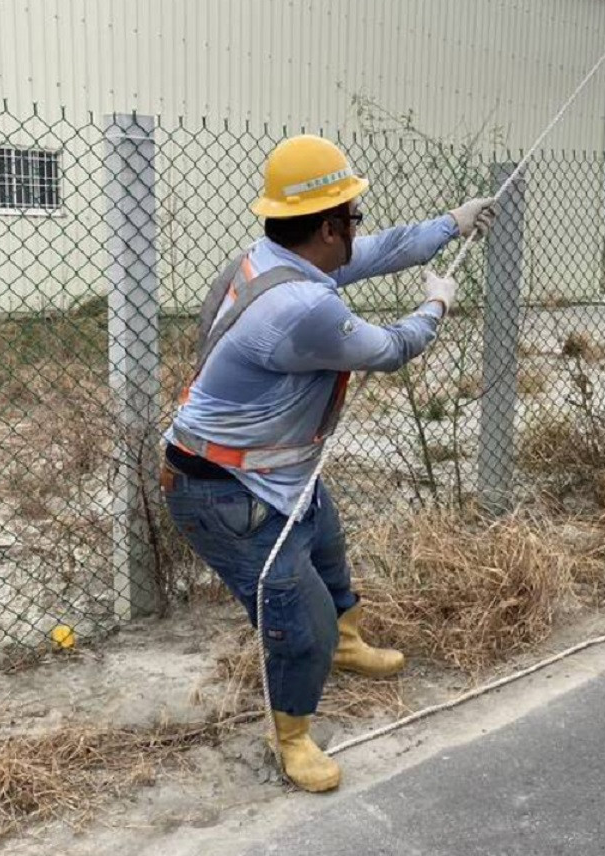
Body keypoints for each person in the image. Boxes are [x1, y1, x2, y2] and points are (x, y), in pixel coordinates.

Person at [160, 134, 497, 793]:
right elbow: (392, 346)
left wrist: (452, 223)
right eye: (350, 217)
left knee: (328, 549)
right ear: (326, 227)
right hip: (222, 488)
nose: (356, 229)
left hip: (270, 470)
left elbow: (379, 252)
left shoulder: (276, 261)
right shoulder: (299, 309)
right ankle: (291, 736)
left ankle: (344, 645)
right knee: (296, 618)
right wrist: (438, 302)